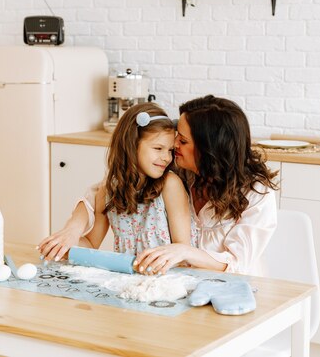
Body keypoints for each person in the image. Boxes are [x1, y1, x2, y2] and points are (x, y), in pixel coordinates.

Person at [38, 95, 278, 276]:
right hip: (166, 283)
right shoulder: (177, 169)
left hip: (231, 287)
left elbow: (238, 264)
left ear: (210, 150)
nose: (173, 149)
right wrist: (72, 230)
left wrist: (184, 251)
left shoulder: (257, 195)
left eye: (181, 141)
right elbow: (103, 192)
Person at [53, 102, 195, 256]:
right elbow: (91, 243)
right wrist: (62, 246)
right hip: (128, 277)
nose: (167, 158)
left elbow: (182, 248)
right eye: (158, 148)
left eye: (170, 151)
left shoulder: (170, 185)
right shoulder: (109, 189)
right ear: (131, 145)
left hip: (167, 276)